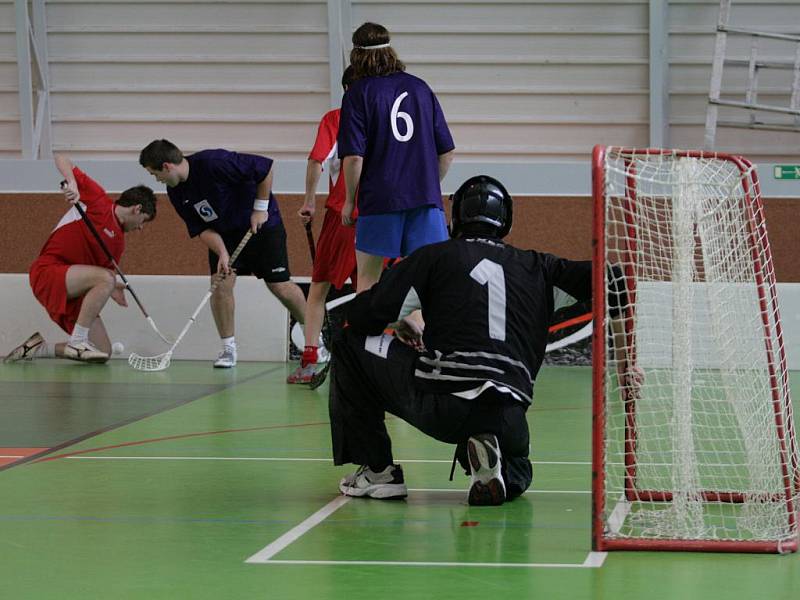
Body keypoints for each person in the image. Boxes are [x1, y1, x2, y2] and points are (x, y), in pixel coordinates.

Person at [328, 175, 631, 505]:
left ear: (456, 216)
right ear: (506, 220)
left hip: (445, 402)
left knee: (349, 341)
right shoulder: (539, 267)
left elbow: (362, 316)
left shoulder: (433, 257)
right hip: (509, 411)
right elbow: (615, 281)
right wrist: (628, 365)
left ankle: (378, 471)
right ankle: (499, 465)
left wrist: (399, 320)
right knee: (517, 471)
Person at [139, 139, 311, 369]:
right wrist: (221, 252)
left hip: (262, 227)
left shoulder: (214, 163)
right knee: (220, 284)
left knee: (280, 286)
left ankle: (313, 341)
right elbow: (201, 228)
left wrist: (260, 209)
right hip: (224, 235)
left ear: (167, 166)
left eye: (155, 174)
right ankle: (228, 349)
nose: (157, 180)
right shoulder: (176, 192)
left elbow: (265, 167)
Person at [3, 154, 157, 364]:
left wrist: (113, 287)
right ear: (137, 209)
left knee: (103, 353)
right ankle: (77, 341)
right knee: (105, 279)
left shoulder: (118, 243)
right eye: (143, 221)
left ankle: (38, 348)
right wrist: (73, 184)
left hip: (73, 290)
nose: (140, 228)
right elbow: (61, 158)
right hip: (48, 272)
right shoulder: (98, 200)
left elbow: (100, 277)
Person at [338, 22, 456, 293]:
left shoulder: (357, 94)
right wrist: (427, 186)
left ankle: (369, 336)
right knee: (429, 283)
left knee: (368, 279)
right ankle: (426, 334)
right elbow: (447, 152)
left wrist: (348, 201)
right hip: (424, 200)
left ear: (356, 55)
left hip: (380, 199)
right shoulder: (420, 88)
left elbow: (354, 157)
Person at [289, 66, 358, 384]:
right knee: (383, 289)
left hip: (342, 217)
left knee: (319, 289)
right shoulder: (388, 120)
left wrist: (309, 201)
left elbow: (317, 159)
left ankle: (309, 360)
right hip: (384, 216)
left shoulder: (337, 118)